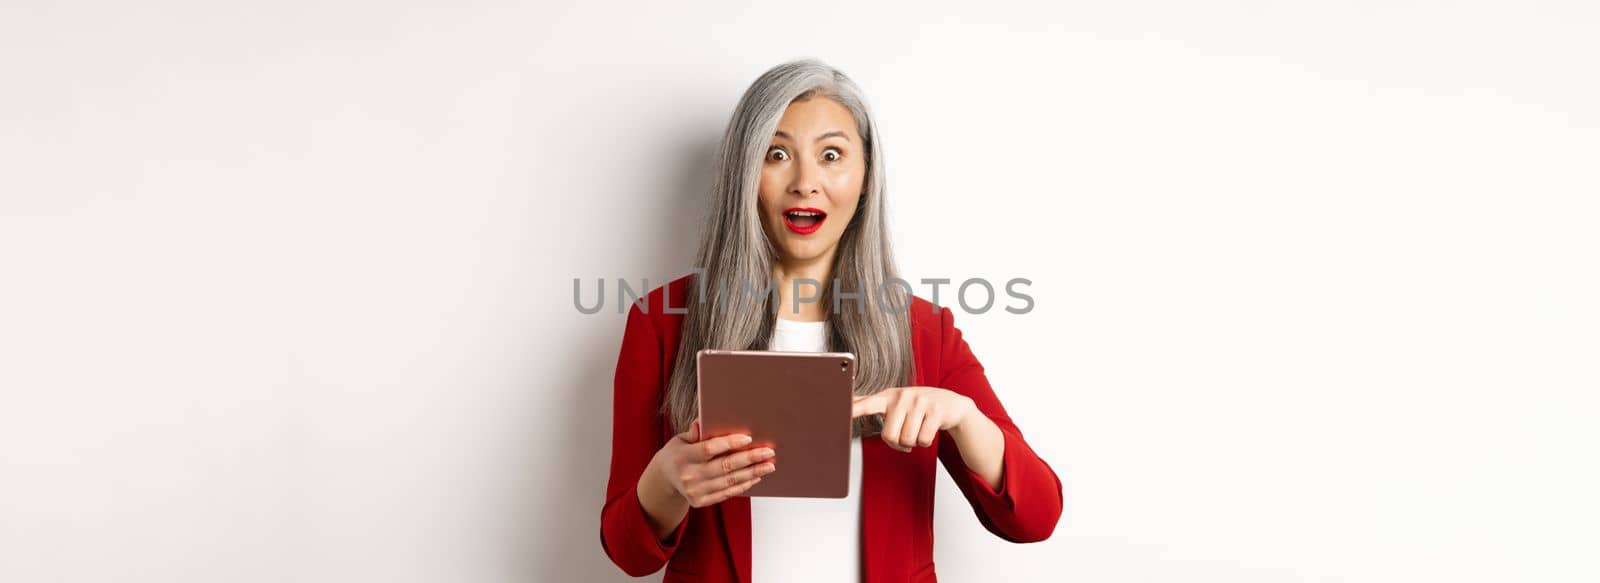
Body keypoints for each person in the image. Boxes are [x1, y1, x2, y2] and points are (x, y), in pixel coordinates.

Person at [599, 59, 1063, 583]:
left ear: (865, 178)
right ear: (745, 175)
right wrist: (667, 481)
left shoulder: (925, 333)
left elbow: (1035, 518)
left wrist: (964, 417)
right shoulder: (662, 323)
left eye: (831, 155)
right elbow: (629, 555)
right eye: (777, 155)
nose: (805, 183)